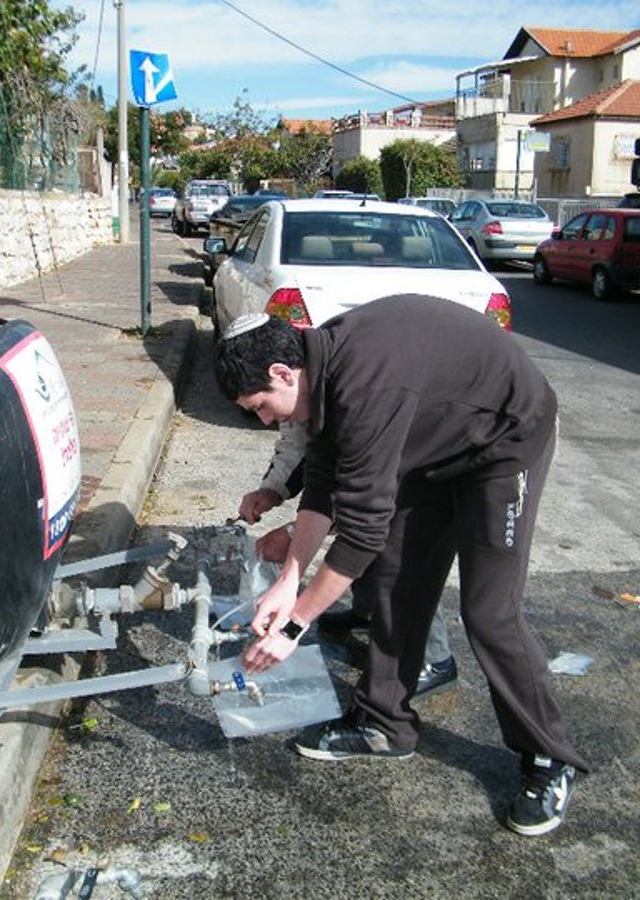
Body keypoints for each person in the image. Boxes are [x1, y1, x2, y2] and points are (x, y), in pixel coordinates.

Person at [214, 298, 588, 837]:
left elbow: (362, 529)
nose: (265, 418)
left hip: (504, 440)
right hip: (434, 446)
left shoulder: (367, 383)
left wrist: (294, 625)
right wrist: (289, 582)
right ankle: (383, 724)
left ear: (281, 371)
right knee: (394, 579)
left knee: (489, 612)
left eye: (261, 405)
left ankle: (550, 757)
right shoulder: (320, 369)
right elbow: (322, 479)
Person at [238, 424, 458, 696]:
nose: (264, 417)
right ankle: (367, 613)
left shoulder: (353, 398)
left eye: (262, 406)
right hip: (376, 473)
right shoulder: (303, 392)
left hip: (418, 473)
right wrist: (271, 490)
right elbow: (298, 440)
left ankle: (434, 659)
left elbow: (364, 497)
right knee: (371, 550)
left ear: (283, 377)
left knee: (402, 553)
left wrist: (297, 535)